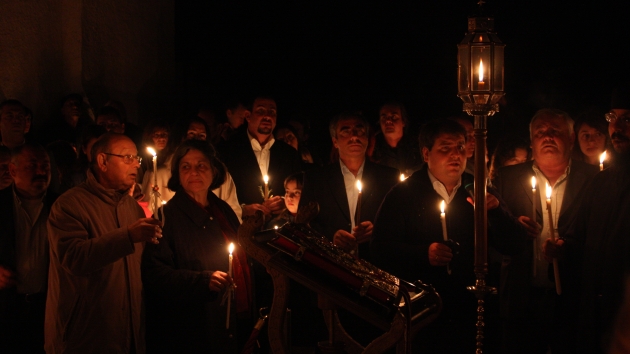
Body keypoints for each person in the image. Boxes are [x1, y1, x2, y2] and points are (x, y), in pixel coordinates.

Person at [371, 118, 527, 353]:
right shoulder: (403, 195)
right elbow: (380, 251)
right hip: (423, 313)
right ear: (426, 154)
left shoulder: (479, 190)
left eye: (461, 147)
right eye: (445, 148)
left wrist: (496, 213)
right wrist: (424, 253)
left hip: (471, 310)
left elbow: (514, 243)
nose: (456, 155)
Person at [492, 108, 599, 354]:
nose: (547, 137)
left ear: (571, 139)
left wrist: (568, 248)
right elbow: (495, 239)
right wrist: (512, 225)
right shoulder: (508, 178)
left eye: (555, 131)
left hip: (573, 299)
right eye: (540, 132)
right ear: (531, 141)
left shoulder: (593, 179)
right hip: (522, 299)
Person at [45, 133, 162, 353]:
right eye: (127, 157)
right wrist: (127, 236)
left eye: (136, 158)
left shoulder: (133, 208)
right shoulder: (69, 205)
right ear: (102, 161)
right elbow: (74, 258)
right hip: (86, 333)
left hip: (128, 331)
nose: (135, 165)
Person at [142, 139, 252, 353]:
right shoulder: (167, 217)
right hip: (195, 328)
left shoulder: (223, 210)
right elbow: (155, 274)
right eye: (186, 167)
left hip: (233, 321)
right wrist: (202, 280)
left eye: (201, 165)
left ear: (213, 170)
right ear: (178, 174)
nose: (194, 172)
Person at [543, 86, 630, 353]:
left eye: (626, 119)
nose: (615, 128)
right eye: (611, 118)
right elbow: (576, 237)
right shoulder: (602, 182)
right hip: (598, 318)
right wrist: (561, 248)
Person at [300, 111, 399, 260]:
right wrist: (331, 236)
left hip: (376, 265)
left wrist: (378, 230)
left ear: (366, 137)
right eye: (345, 131)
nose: (354, 137)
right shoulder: (316, 179)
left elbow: (400, 223)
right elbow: (302, 223)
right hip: (331, 265)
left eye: (359, 130)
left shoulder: (388, 178)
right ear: (335, 141)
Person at [0, 143, 56, 353]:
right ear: (13, 170)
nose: (41, 172)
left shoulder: (61, 206)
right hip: (7, 308)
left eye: (45, 166)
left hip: (48, 307)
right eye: (32, 166)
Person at [218, 95, 302, 218]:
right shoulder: (228, 151)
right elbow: (217, 196)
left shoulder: (289, 154)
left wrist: (285, 202)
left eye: (272, 112)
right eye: (260, 111)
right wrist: (242, 209)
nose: (267, 116)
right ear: (248, 116)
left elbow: (302, 190)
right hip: (239, 228)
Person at [368, 102, 423, 176]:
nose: (388, 121)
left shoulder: (418, 147)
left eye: (393, 117)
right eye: (384, 117)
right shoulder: (372, 150)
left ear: (403, 121)